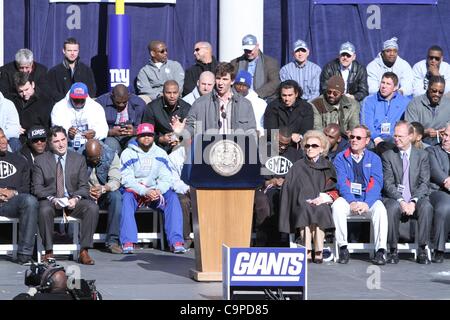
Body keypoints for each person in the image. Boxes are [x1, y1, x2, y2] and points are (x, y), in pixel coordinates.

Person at [32, 126, 99, 265]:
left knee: (92, 207)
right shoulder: (40, 160)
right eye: (56, 141)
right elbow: (37, 188)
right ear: (50, 143)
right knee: (44, 210)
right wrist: (53, 199)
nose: (61, 144)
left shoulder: (78, 159)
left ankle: (84, 251)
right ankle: (49, 251)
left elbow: (84, 186)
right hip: (51, 200)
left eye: (63, 140)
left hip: (72, 200)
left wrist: (76, 198)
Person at [119, 123, 186, 254]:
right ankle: (128, 241)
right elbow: (126, 179)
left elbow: (167, 178)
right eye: (143, 135)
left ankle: (176, 241)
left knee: (172, 197)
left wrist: (158, 190)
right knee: (126, 198)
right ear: (137, 136)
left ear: (153, 136)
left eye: (149, 135)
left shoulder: (160, 153)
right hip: (137, 192)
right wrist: (144, 191)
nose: (146, 138)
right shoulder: (128, 153)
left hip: (155, 192)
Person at [332, 125, 388, 265]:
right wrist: (351, 201)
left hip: (367, 199)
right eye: (352, 137)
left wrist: (367, 203)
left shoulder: (374, 158)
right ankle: (343, 247)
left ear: (367, 140)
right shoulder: (340, 158)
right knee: (338, 205)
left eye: (358, 137)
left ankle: (380, 250)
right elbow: (342, 183)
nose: (354, 140)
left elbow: (376, 182)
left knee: (380, 209)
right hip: (349, 199)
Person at [280, 130, 338, 263]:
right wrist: (301, 198)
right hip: (301, 201)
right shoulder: (297, 166)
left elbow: (333, 186)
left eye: (314, 146)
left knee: (320, 209)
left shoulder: (327, 166)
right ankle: (306, 249)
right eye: (307, 145)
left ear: (322, 148)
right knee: (305, 208)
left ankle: (319, 249)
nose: (310, 148)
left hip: (321, 200)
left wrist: (322, 198)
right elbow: (290, 187)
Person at [382, 120, 433, 264]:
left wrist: (413, 201)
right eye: (395, 136)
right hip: (395, 197)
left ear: (411, 136)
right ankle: (392, 249)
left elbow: (424, 183)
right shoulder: (388, 155)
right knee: (391, 208)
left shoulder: (422, 155)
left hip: (416, 196)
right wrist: (401, 201)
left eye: (400, 136)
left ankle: (422, 248)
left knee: (426, 207)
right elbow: (388, 183)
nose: (396, 139)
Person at [255, 126, 303, 247]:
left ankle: (288, 240)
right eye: (281, 143)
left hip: (288, 189)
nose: (283, 147)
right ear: (275, 137)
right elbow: (257, 178)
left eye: (286, 144)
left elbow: (300, 175)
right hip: (267, 188)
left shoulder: (295, 153)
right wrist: (271, 181)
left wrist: (287, 182)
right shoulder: (264, 151)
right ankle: (269, 242)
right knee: (271, 200)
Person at [0, 127, 38, 265]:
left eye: (3, 137)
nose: (3, 141)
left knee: (30, 201)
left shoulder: (19, 160)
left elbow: (26, 189)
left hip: (11, 203)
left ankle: (24, 255)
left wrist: (12, 193)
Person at [186, 62, 256, 136]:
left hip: (236, 146)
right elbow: (191, 126)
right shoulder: (200, 103)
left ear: (232, 81)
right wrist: (180, 133)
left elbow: (251, 131)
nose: (220, 83)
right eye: (218, 78)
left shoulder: (245, 104)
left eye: (225, 79)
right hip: (210, 146)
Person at [84, 140, 123, 254]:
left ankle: (113, 241)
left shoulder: (111, 155)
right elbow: (75, 180)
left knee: (116, 197)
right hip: (86, 192)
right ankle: (82, 241)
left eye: (96, 157)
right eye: (91, 158)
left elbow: (115, 180)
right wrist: (87, 190)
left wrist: (103, 189)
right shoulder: (80, 156)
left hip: (104, 191)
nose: (94, 160)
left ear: (101, 150)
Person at [360, 72, 409, 153]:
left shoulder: (405, 102)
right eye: (383, 82)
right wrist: (376, 138)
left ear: (395, 87)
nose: (384, 86)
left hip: (394, 138)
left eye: (388, 84)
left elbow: (407, 124)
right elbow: (366, 125)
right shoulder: (369, 100)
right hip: (374, 138)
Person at [51, 82, 108, 151]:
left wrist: (95, 134)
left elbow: (104, 129)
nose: (78, 103)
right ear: (70, 97)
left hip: (89, 143)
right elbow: (56, 131)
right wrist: (67, 134)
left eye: (81, 100)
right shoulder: (59, 107)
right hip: (68, 144)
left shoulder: (96, 107)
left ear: (86, 97)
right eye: (76, 100)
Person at [95, 84, 146, 155]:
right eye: (118, 102)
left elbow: (146, 127)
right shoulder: (100, 103)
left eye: (125, 102)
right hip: (111, 136)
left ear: (129, 95)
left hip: (131, 136)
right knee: (110, 147)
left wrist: (135, 131)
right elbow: (95, 127)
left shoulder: (139, 103)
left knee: (134, 147)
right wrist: (109, 132)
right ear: (112, 96)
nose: (121, 105)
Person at [142, 80, 191, 153]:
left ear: (179, 93)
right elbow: (146, 131)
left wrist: (180, 137)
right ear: (163, 93)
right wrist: (160, 139)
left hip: (181, 145)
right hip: (158, 146)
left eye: (175, 93)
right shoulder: (152, 107)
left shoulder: (186, 108)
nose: (172, 96)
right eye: (168, 93)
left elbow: (193, 131)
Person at [426, 123, 450, 263]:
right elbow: (436, 173)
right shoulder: (432, 151)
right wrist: (446, 181)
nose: (445, 139)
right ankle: (439, 249)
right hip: (437, 191)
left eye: (449, 136)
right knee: (445, 206)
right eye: (444, 135)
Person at [230, 34, 280, 101]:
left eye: (250, 50)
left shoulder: (270, 62)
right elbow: (230, 81)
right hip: (240, 99)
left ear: (257, 46)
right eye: (246, 50)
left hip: (263, 99)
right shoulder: (235, 63)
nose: (248, 53)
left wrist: (255, 94)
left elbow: (274, 83)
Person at [46, 37, 97, 103]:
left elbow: (92, 91)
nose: (72, 53)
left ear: (78, 51)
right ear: (64, 51)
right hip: (62, 108)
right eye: (69, 50)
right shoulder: (54, 72)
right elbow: (51, 92)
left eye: (75, 50)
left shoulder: (86, 70)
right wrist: (67, 101)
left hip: (83, 107)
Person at [264, 80, 314, 144]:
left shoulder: (306, 107)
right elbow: (270, 131)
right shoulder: (272, 107)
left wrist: (300, 136)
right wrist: (286, 137)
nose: (287, 99)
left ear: (296, 94)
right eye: (284, 95)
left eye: (290, 95)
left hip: (298, 144)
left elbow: (307, 130)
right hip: (277, 143)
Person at [405, 75, 450, 146]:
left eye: (440, 92)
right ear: (428, 88)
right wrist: (425, 132)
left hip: (443, 144)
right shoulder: (415, 104)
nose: (437, 94)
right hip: (421, 144)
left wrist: (446, 130)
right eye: (434, 91)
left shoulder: (448, 103)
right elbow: (409, 130)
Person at [12, 71, 53, 144]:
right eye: (20, 91)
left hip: (39, 141)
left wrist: (29, 131)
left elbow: (49, 128)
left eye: (26, 89)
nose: (24, 94)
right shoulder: (13, 101)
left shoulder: (46, 101)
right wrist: (13, 128)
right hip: (18, 140)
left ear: (33, 84)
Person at [233, 70, 267, 136]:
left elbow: (262, 125)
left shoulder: (260, 103)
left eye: (244, 85)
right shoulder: (228, 99)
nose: (240, 88)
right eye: (238, 84)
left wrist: (259, 132)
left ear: (249, 87)